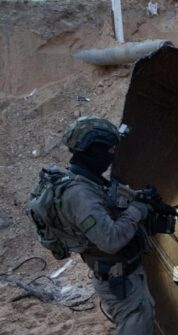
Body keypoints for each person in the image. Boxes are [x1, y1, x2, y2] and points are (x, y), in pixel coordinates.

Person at [47, 116, 156, 334]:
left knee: (143, 317)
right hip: (116, 277)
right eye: (108, 150)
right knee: (135, 323)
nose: (111, 155)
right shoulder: (79, 194)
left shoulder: (89, 182)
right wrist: (139, 209)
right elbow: (110, 240)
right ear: (91, 150)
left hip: (126, 273)